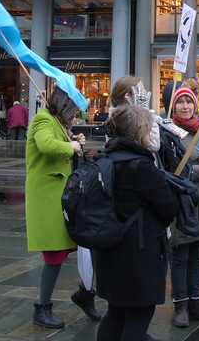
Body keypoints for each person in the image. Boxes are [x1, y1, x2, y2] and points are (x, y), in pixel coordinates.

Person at [95, 104, 179, 341]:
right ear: (140, 130)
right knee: (137, 319)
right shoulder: (141, 166)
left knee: (116, 313)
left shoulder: (105, 158)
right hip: (139, 253)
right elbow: (169, 207)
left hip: (110, 248)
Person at [25, 84, 99, 328]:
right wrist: (71, 146)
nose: (75, 113)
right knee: (54, 254)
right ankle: (42, 307)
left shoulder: (56, 121)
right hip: (48, 197)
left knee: (88, 244)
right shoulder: (43, 119)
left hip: (62, 195)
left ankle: (85, 294)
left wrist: (73, 139)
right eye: (73, 107)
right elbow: (46, 145)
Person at [159, 84, 199, 327]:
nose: (185, 107)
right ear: (173, 106)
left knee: (197, 255)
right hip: (182, 203)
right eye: (180, 102)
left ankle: (196, 302)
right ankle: (181, 306)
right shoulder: (168, 133)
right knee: (180, 256)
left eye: (189, 102)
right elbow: (175, 173)